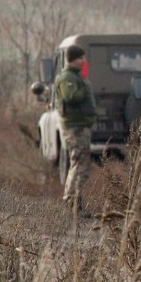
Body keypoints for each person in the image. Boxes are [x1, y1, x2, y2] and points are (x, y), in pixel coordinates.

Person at [55, 44, 97, 214]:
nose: (84, 61)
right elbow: (70, 97)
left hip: (80, 126)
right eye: (81, 58)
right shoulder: (68, 78)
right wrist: (81, 88)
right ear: (73, 59)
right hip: (75, 127)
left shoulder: (75, 77)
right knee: (79, 165)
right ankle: (72, 203)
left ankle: (74, 203)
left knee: (79, 164)